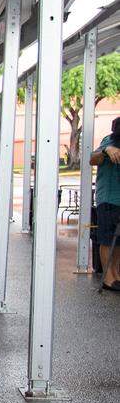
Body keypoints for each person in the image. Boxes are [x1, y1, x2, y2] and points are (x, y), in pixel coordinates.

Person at [89, 115, 120, 291]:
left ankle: (116, 273)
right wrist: (106, 150)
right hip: (108, 198)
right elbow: (93, 159)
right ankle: (108, 278)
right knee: (107, 238)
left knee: (119, 240)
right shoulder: (109, 141)